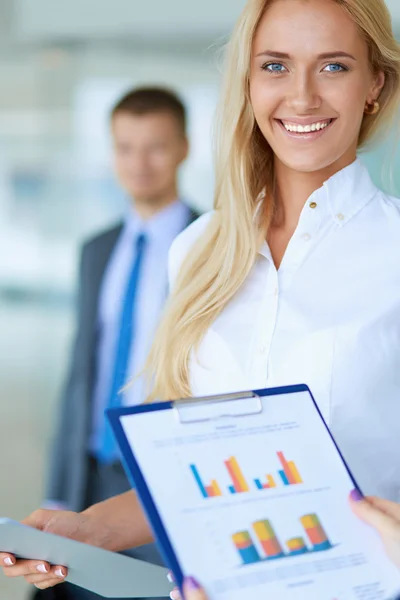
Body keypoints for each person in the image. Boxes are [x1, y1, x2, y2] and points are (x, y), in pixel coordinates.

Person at [2, 0, 400, 595]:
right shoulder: (197, 249)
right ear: (247, 81)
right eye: (275, 66)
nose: (302, 96)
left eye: (334, 67)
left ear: (376, 83)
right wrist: (85, 529)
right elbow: (205, 469)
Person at [33, 86, 199, 600]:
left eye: (155, 146)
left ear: (183, 149)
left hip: (164, 467)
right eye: (125, 147)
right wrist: (59, 489)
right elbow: (81, 372)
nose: (139, 163)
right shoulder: (96, 250)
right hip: (91, 469)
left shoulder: (211, 245)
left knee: (156, 591)